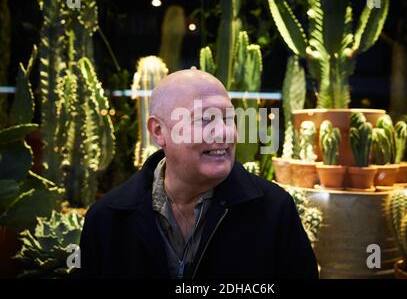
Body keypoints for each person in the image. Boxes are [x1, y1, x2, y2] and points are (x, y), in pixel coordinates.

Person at [79, 69, 318, 279]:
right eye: (205, 120)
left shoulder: (275, 210)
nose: (224, 133)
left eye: (229, 118)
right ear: (159, 131)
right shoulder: (107, 219)